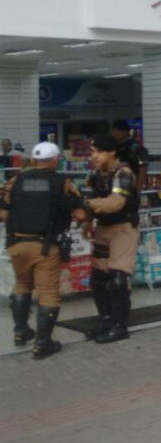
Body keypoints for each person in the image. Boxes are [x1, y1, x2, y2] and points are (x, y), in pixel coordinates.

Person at [0, 142, 86, 358]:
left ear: (34, 160)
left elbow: (3, 214)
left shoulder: (15, 181)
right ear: (56, 160)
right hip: (46, 247)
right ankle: (42, 343)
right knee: (48, 293)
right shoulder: (63, 183)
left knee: (22, 285)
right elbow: (81, 215)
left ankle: (20, 332)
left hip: (17, 244)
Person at [84, 134, 141, 343]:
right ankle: (106, 321)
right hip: (103, 228)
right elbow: (93, 197)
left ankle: (119, 326)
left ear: (112, 152)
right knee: (99, 279)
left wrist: (86, 205)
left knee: (118, 279)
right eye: (92, 152)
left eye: (99, 152)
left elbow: (116, 203)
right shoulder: (96, 174)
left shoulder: (123, 173)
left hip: (123, 230)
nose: (94, 156)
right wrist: (86, 220)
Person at [110, 119, 150, 190]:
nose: (115, 133)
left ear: (125, 132)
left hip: (130, 184)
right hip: (114, 186)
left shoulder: (135, 147)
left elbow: (143, 168)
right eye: (113, 131)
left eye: (118, 131)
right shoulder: (111, 147)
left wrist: (137, 189)